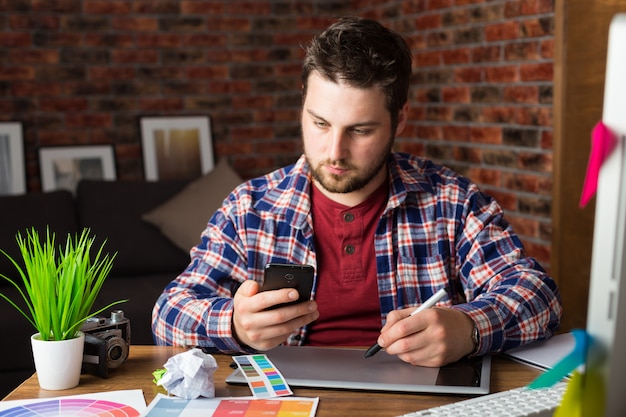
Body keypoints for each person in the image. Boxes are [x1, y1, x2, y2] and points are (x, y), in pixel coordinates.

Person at [152, 16, 562, 367]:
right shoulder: (249, 207)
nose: (334, 152)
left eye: (360, 130)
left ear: (399, 119)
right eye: (319, 123)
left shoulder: (452, 202)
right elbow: (168, 314)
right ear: (303, 105)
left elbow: (539, 296)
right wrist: (235, 325)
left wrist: (470, 328)